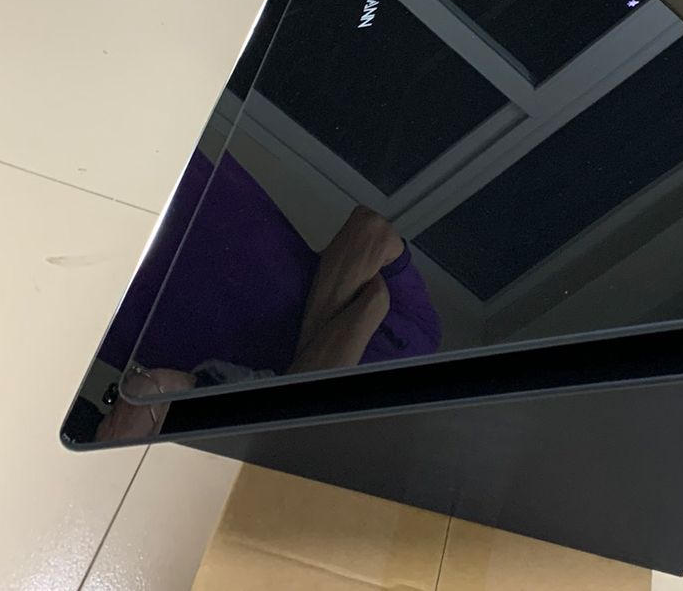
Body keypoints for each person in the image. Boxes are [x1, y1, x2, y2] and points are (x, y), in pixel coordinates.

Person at [94, 150, 440, 441]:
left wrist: (357, 319)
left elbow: (376, 294)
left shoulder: (338, 439)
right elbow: (369, 232)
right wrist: (302, 374)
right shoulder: (423, 338)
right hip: (198, 209)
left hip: (131, 310)